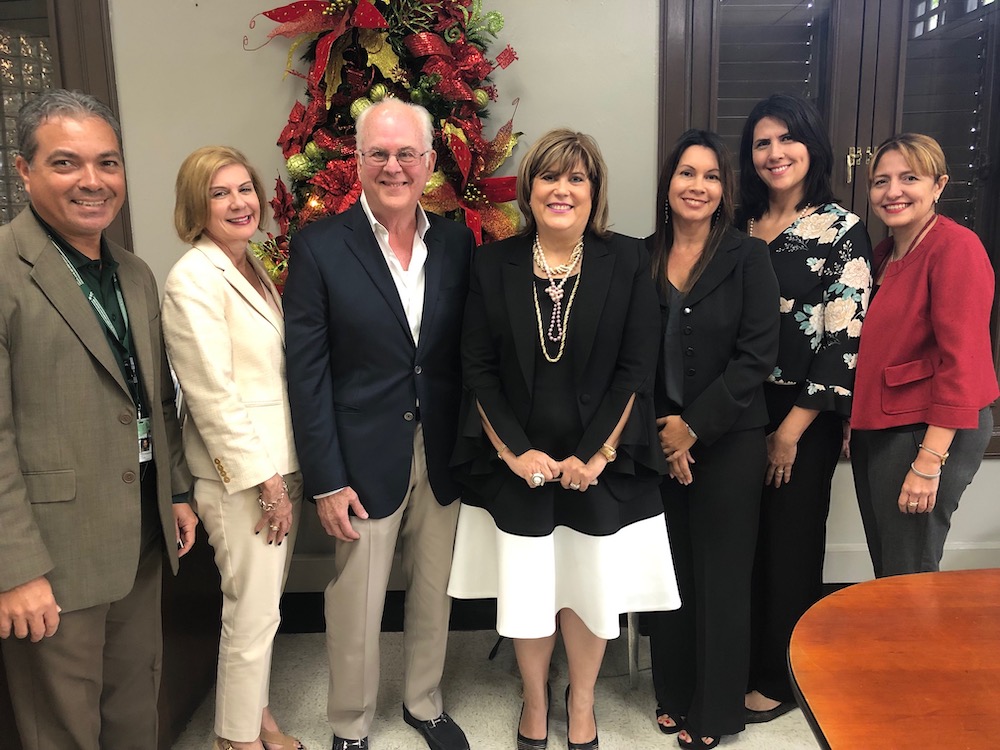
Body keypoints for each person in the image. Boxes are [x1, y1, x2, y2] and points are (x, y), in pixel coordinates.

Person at [447, 128, 681, 750]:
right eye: (551, 177)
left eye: (577, 178)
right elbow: (478, 367)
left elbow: (636, 368)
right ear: (530, 190)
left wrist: (597, 454)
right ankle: (532, 699)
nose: (563, 189)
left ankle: (580, 702)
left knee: (587, 585)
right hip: (518, 459)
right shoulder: (491, 262)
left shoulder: (628, 260)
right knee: (530, 589)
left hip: (601, 459)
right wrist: (512, 452)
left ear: (594, 191)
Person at [0, 89, 197, 749]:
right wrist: (14, 568)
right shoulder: (5, 272)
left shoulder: (134, 274)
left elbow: (154, 399)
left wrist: (174, 491)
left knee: (133, 708)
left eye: (107, 163)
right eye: (66, 163)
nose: (93, 181)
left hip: (138, 538)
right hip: (52, 557)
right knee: (62, 727)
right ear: (23, 171)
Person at [284, 98, 475, 750]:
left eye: (406, 154)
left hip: (442, 449)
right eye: (379, 154)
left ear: (428, 162)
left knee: (434, 590)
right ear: (358, 161)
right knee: (356, 603)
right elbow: (306, 374)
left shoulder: (455, 241)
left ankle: (424, 702)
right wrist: (326, 479)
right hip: (361, 457)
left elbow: (463, 356)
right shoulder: (318, 246)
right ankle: (350, 725)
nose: (393, 166)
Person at [162, 146, 305, 750]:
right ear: (198, 206)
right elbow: (212, 396)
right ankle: (235, 737)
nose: (239, 202)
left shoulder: (250, 267)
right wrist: (267, 483)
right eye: (220, 193)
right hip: (244, 481)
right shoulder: (193, 278)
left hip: (280, 464)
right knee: (250, 612)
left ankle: (258, 716)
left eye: (245, 188)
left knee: (263, 608)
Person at [737, 93, 872, 722]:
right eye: (762, 142)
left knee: (789, 545)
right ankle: (733, 657)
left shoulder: (842, 230)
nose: (774, 153)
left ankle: (778, 675)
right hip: (734, 408)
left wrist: (790, 431)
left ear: (811, 147)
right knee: (740, 542)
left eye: (786, 139)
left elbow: (846, 341)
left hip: (802, 414)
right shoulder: (737, 224)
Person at [644, 130, 779, 749]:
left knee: (722, 576)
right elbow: (628, 356)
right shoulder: (640, 257)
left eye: (711, 177)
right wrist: (663, 433)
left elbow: (756, 358)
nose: (697, 186)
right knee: (669, 573)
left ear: (724, 191)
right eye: (686, 174)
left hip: (729, 440)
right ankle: (672, 692)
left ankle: (717, 711)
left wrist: (693, 428)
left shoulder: (747, 257)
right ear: (668, 184)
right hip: (657, 441)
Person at [851, 133, 997, 577]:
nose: (892, 191)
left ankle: (915, 649)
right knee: (891, 566)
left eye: (909, 178)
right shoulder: (882, 255)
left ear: (938, 185)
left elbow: (963, 360)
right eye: (881, 181)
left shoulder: (955, 248)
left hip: (927, 429)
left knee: (908, 571)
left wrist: (930, 461)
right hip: (884, 425)